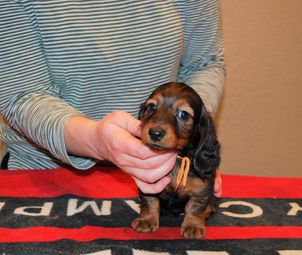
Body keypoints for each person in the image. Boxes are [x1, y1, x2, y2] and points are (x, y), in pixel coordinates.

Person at [0, 1, 225, 196]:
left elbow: (204, 64)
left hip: (165, 171)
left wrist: (190, 134)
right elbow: (23, 95)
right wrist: (94, 140)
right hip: (43, 172)